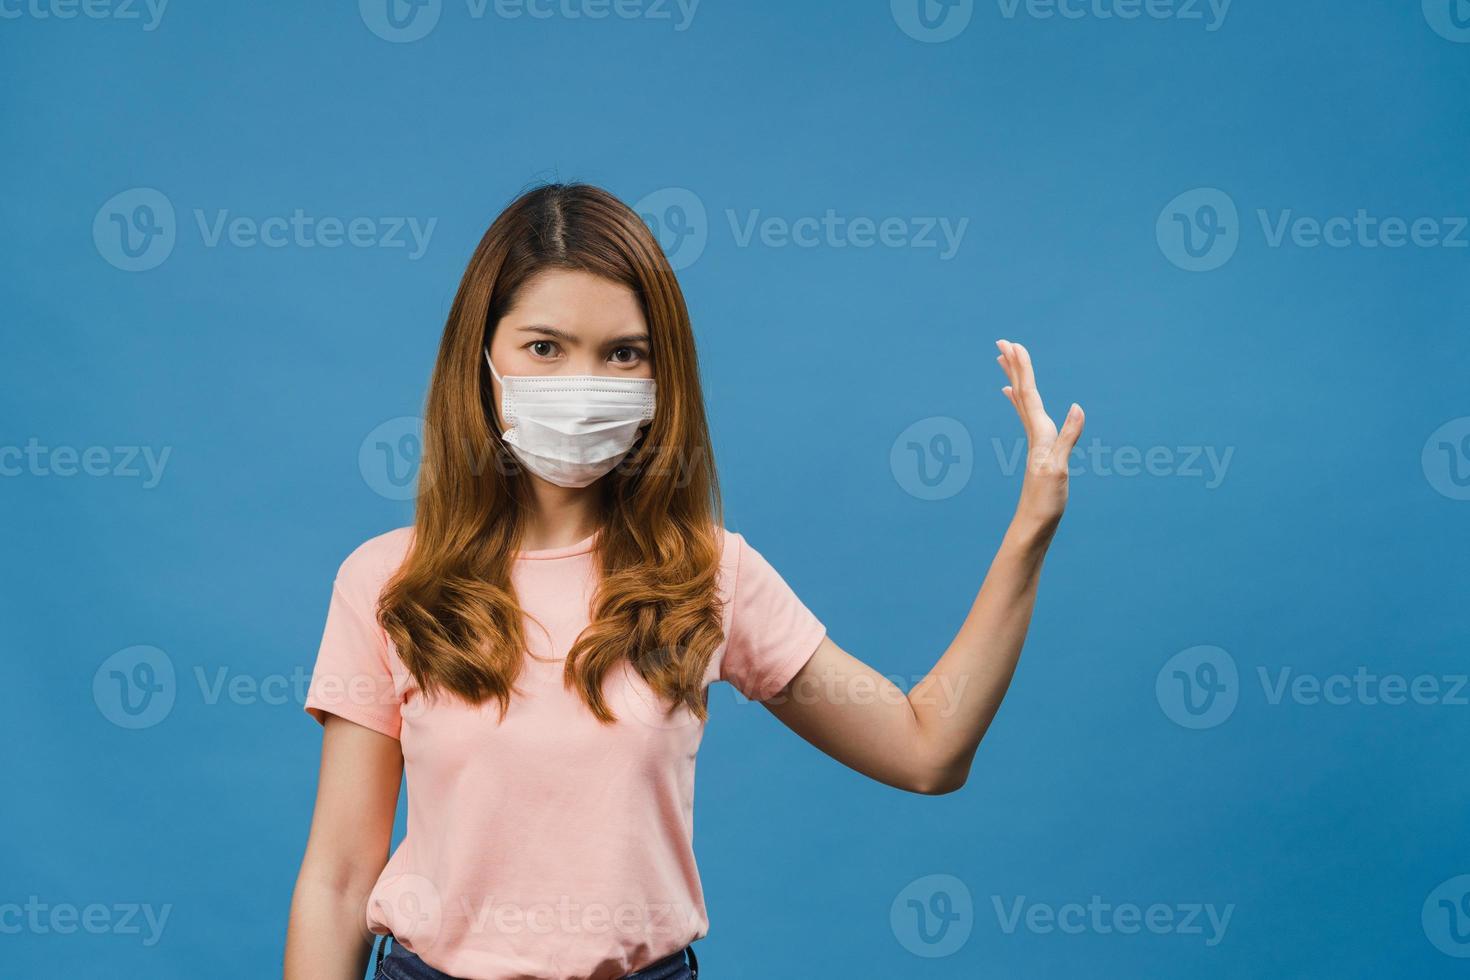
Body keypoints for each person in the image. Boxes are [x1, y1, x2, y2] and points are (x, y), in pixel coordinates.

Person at [282, 182, 1085, 980]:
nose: (581, 382)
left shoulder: (709, 574)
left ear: (661, 376)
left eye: (622, 353)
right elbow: (339, 878)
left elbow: (926, 749)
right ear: (482, 356)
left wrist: (1029, 533)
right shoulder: (389, 581)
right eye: (545, 347)